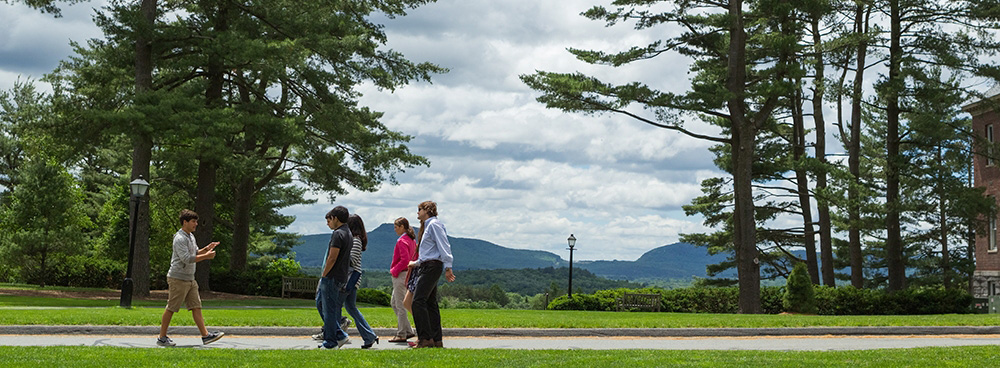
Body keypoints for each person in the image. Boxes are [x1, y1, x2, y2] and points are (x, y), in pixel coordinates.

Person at [156, 209, 225, 347]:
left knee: (196, 306)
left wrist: (206, 249)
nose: (196, 224)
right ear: (185, 222)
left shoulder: (191, 236)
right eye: (193, 221)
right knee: (172, 308)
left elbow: (195, 252)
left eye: (196, 221)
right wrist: (206, 257)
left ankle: (205, 336)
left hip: (190, 279)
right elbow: (187, 259)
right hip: (178, 278)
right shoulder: (179, 238)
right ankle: (162, 337)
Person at [408, 201, 456, 348]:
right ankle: (436, 339)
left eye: (419, 210)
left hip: (432, 267)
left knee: (418, 301)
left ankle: (425, 338)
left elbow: (443, 245)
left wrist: (448, 266)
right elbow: (429, 252)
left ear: (427, 210)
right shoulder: (428, 225)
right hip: (427, 265)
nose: (417, 213)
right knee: (430, 303)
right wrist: (416, 263)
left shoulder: (434, 224)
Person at [316, 206, 354, 349]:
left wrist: (324, 274)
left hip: (332, 277)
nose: (328, 223)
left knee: (329, 309)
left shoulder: (338, 234)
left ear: (335, 218)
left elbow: (332, 257)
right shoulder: (348, 233)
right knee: (320, 304)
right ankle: (339, 334)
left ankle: (330, 342)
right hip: (340, 276)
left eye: (329, 220)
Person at [344, 214, 379, 349]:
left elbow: (352, 260)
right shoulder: (355, 239)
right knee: (351, 308)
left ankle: (337, 334)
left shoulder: (356, 240)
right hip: (351, 278)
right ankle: (369, 336)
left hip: (350, 278)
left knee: (339, 307)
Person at [388, 217, 417, 343]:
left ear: (402, 227)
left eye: (396, 227)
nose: (395, 230)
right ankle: (408, 330)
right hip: (408, 273)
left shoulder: (401, 241)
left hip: (401, 274)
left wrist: (394, 270)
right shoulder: (411, 240)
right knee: (394, 303)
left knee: (400, 305)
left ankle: (401, 334)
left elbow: (405, 260)